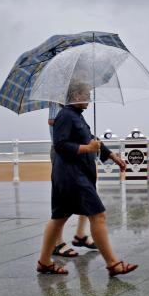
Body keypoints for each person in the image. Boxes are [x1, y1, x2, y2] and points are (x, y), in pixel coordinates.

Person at [37, 82, 137, 277]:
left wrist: (112, 156)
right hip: (72, 176)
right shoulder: (65, 116)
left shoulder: (76, 116)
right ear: (75, 95)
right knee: (97, 215)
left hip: (70, 176)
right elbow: (60, 145)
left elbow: (91, 138)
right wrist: (88, 149)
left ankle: (44, 262)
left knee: (58, 219)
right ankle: (113, 264)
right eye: (86, 94)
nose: (89, 98)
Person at [48, 101, 92, 258]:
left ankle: (80, 234)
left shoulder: (74, 110)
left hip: (77, 153)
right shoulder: (59, 104)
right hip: (64, 154)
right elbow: (52, 121)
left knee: (89, 192)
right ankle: (57, 243)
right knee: (62, 201)